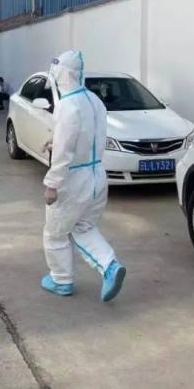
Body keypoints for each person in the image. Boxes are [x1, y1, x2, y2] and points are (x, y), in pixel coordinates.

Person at [41, 50, 126, 302]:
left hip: (73, 180)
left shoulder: (68, 105)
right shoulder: (95, 101)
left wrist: (52, 184)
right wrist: (54, 141)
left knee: (55, 233)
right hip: (97, 174)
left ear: (62, 74)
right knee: (84, 227)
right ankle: (110, 266)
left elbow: (65, 150)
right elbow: (86, 137)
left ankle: (61, 280)